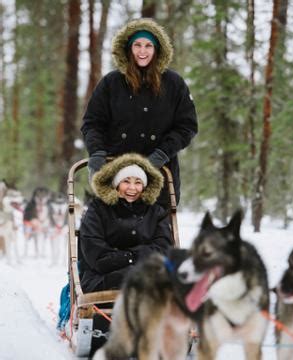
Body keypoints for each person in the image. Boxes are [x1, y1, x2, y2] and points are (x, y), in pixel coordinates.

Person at [81, 18, 198, 206]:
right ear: (128, 49)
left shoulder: (174, 84)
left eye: (148, 45)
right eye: (137, 45)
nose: (142, 51)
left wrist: (161, 154)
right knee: (111, 228)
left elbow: (187, 126)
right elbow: (92, 123)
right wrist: (97, 152)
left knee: (157, 230)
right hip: (115, 171)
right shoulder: (111, 83)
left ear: (157, 49)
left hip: (159, 173)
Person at [78, 153, 173, 293]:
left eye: (138, 182)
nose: (132, 188)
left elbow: (163, 249)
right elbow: (95, 252)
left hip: (149, 274)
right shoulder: (98, 209)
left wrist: (132, 258)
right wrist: (130, 259)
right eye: (126, 181)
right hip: (103, 277)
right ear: (116, 184)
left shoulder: (155, 212)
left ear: (145, 187)